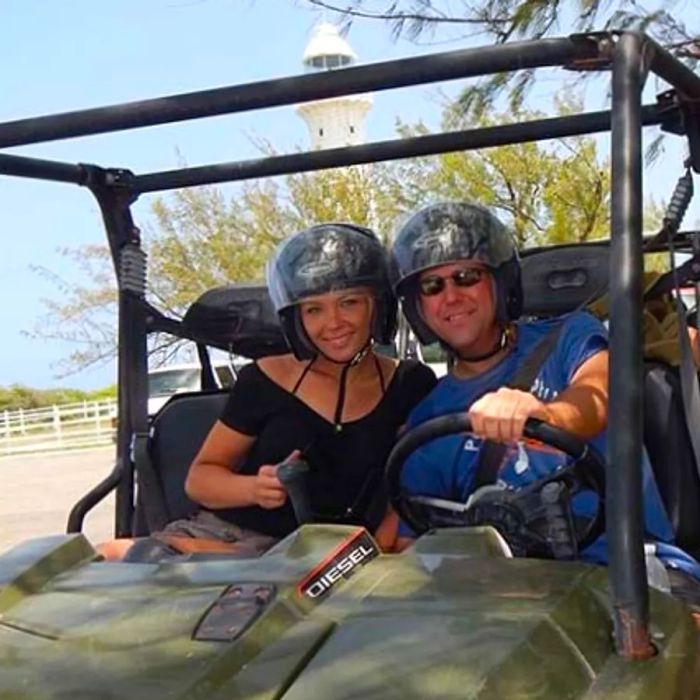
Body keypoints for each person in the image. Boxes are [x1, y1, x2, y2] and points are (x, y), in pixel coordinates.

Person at [387, 201, 678, 565]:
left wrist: (546, 415)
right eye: (432, 286)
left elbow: (600, 396)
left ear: (500, 282)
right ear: (418, 307)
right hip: (512, 596)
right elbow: (411, 542)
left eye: (466, 277)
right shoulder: (426, 420)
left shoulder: (569, 336)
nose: (450, 296)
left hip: (633, 569)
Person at [123, 222, 436, 559]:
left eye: (349, 303)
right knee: (118, 557)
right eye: (314, 309)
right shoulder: (264, 379)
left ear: (378, 306)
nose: (333, 323)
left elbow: (408, 489)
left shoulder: (410, 383)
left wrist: (375, 550)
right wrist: (256, 488)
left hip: (344, 555)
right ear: (295, 318)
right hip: (230, 542)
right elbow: (200, 480)